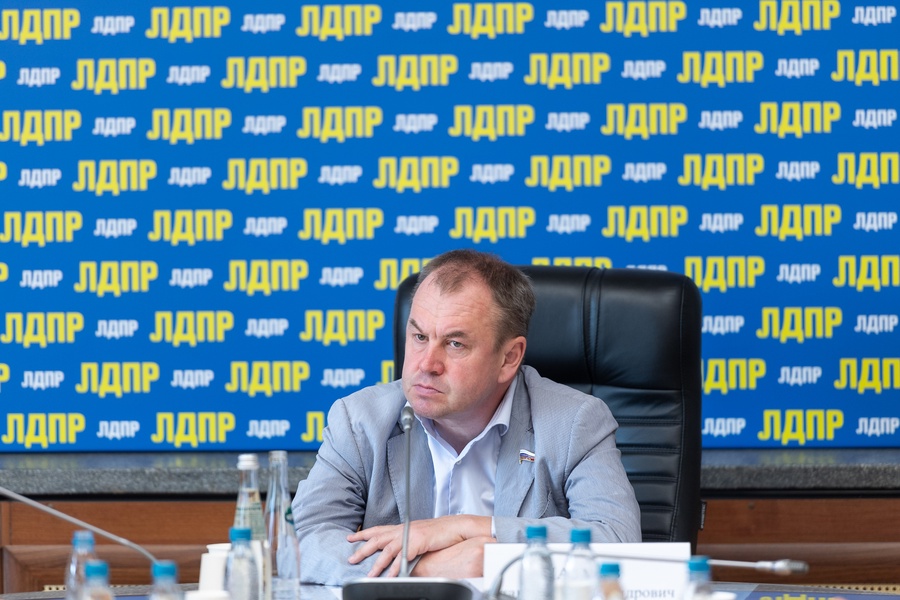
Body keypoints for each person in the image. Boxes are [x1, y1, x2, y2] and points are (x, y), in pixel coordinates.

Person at [291, 249, 641, 585]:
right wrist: (423, 568)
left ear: (509, 358)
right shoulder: (360, 422)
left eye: (455, 344)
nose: (427, 364)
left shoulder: (574, 423)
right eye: (419, 336)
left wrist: (468, 528)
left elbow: (619, 540)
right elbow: (300, 545)